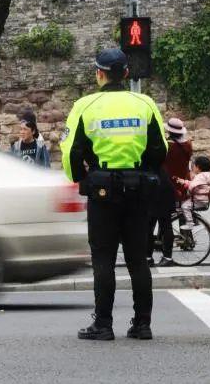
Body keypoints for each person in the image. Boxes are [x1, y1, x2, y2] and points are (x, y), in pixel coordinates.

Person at [61, 48, 167, 341]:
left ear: (99, 74)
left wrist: (81, 179)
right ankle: (142, 324)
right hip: (137, 190)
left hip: (102, 190)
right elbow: (161, 149)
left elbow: (71, 150)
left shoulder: (85, 105)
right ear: (126, 74)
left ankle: (104, 324)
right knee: (137, 259)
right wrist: (143, 172)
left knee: (103, 259)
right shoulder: (145, 103)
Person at [147, 118, 192, 267]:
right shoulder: (187, 146)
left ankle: (149, 256)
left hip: (161, 186)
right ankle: (167, 256)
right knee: (165, 223)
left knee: (150, 223)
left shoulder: (165, 146)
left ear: (168, 131)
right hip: (177, 188)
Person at [176, 156, 210, 230]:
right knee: (184, 205)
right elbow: (195, 183)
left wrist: (185, 186)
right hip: (203, 200)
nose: (193, 167)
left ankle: (190, 223)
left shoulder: (200, 176)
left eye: (194, 166)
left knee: (184, 206)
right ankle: (194, 220)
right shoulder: (208, 175)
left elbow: (192, 186)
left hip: (198, 200)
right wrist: (184, 181)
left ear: (198, 167)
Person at [163, 118, 193, 201]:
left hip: (169, 183)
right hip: (184, 182)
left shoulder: (166, 145)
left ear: (169, 131)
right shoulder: (188, 144)